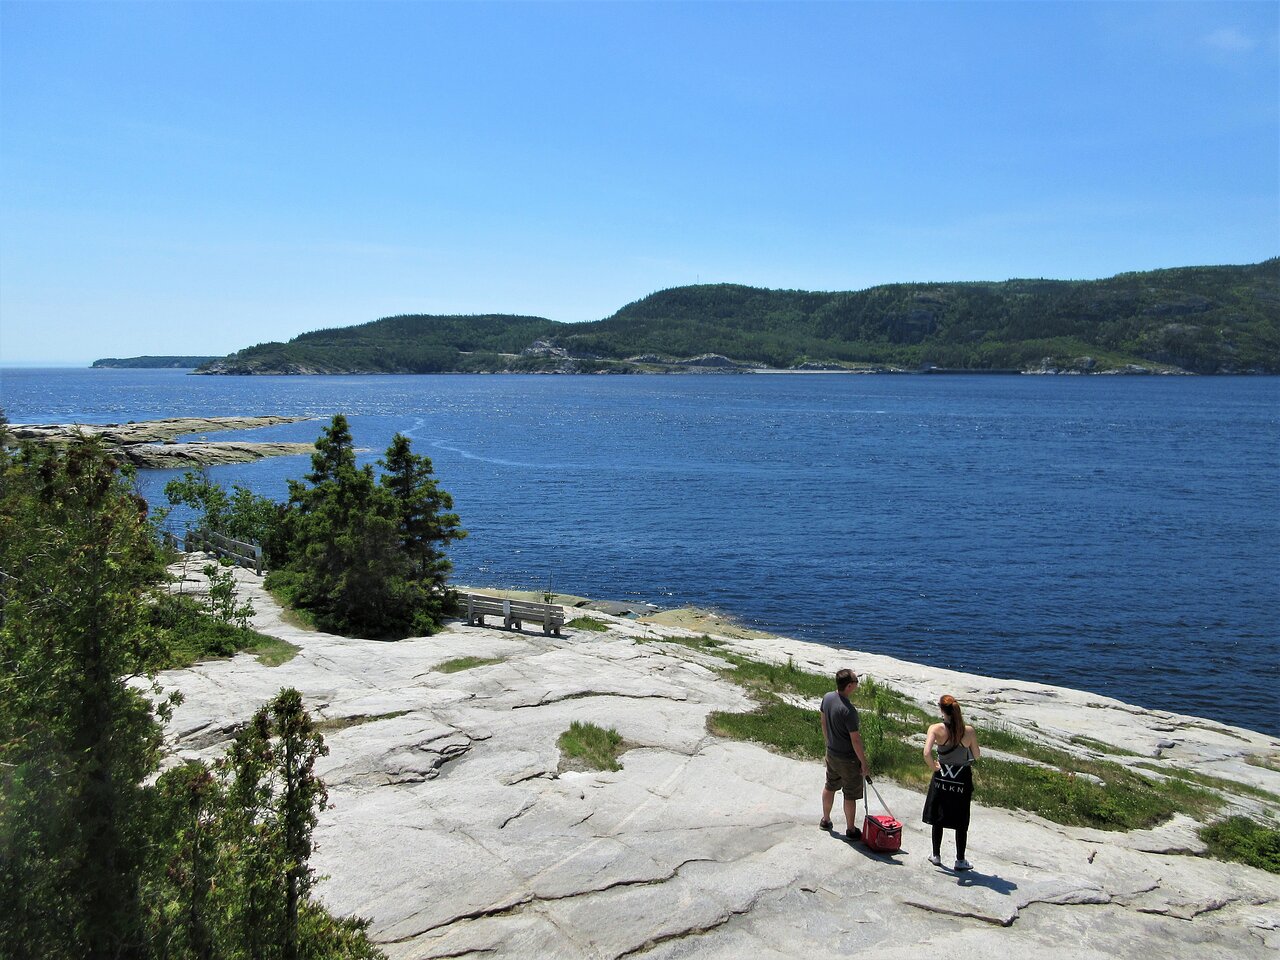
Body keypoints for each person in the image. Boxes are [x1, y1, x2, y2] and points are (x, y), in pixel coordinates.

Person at [922, 694, 981, 871]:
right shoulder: (968, 731)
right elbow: (977, 755)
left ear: (941, 709)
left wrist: (934, 766)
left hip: (942, 777)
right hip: (961, 779)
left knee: (938, 815)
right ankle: (960, 860)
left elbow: (926, 753)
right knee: (961, 819)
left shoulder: (935, 729)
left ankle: (936, 855)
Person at [819, 668, 870, 840]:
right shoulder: (849, 711)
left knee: (830, 785)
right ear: (849, 686)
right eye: (856, 681)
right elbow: (855, 740)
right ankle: (850, 829)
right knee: (850, 793)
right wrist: (863, 762)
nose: (857, 684)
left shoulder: (827, 698)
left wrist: (828, 742)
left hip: (832, 753)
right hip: (848, 759)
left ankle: (825, 819)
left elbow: (823, 721)